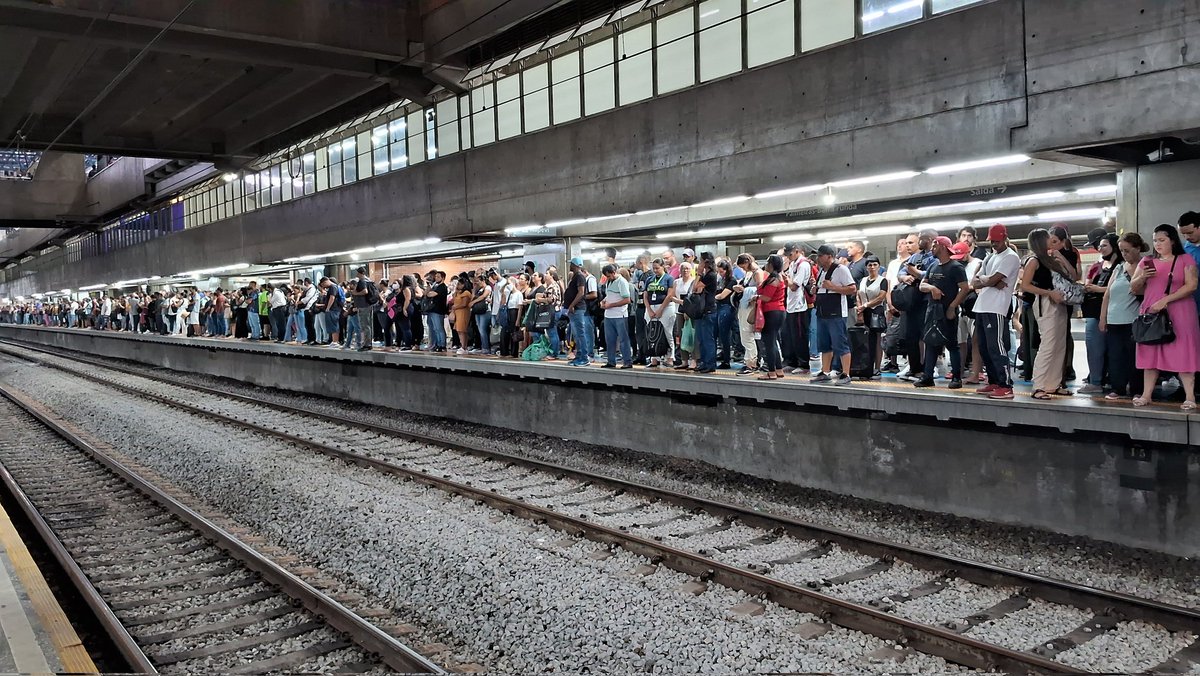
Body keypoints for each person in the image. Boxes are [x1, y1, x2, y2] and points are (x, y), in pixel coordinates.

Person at [1129, 224, 1200, 410]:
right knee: (1150, 351)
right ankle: (1146, 394)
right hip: (1151, 310)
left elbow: (1191, 285)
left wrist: (1166, 299)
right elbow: (1134, 287)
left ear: (1172, 241)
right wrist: (1142, 276)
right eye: (1155, 240)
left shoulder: (1185, 259)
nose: (1158, 244)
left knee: (1183, 350)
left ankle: (1190, 396)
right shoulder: (1147, 261)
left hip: (1180, 311)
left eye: (1162, 240)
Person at [1018, 228, 1079, 400]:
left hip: (1059, 302)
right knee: (1048, 344)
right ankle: (1038, 385)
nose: (1050, 241)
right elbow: (1025, 285)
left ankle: (1053, 384)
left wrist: (1060, 257)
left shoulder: (1051, 259)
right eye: (1047, 238)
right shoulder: (1033, 261)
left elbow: (1073, 276)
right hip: (1045, 302)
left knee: (1059, 345)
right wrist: (1048, 293)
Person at [970, 224, 1022, 400]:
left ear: (1005, 239)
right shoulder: (990, 257)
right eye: (992, 241)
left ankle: (1005, 385)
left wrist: (987, 280)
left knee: (996, 346)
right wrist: (989, 281)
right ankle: (994, 381)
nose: (994, 244)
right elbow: (975, 282)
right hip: (982, 306)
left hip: (997, 308)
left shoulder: (1011, 257)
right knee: (984, 347)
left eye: (997, 241)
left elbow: (992, 280)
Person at [914, 236, 970, 389]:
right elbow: (922, 286)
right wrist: (932, 288)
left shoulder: (955, 267)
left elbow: (965, 288)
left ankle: (957, 377)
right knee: (930, 342)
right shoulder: (933, 266)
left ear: (943, 247)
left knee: (951, 343)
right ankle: (927, 376)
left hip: (947, 310)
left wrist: (952, 307)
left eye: (934, 245)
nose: (932, 248)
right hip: (932, 310)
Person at [1099, 232, 1148, 401]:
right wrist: (1103, 317)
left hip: (1133, 319)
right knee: (1115, 355)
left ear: (1137, 248)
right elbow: (1107, 294)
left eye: (1127, 250)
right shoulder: (1119, 268)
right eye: (1121, 251)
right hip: (1114, 318)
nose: (1124, 254)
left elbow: (1142, 291)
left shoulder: (1145, 266)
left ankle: (1137, 389)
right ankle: (1117, 387)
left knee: (1134, 356)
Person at [809, 244, 857, 385]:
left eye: (820, 256)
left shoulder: (841, 269)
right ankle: (825, 371)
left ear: (829, 256)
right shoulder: (821, 271)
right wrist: (815, 289)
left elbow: (852, 288)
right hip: (822, 312)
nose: (818, 258)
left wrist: (833, 287)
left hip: (836, 313)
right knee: (824, 344)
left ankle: (846, 373)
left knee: (840, 343)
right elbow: (822, 288)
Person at [1079, 232, 1120, 394]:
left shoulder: (1121, 266)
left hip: (1116, 313)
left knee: (1114, 351)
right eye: (1100, 246)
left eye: (1104, 245)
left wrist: (1098, 289)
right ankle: (1095, 380)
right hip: (1094, 312)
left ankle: (1112, 381)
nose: (1100, 248)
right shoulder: (1098, 266)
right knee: (1094, 348)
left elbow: (1121, 289)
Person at [897, 230, 935, 380]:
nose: (920, 242)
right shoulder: (915, 257)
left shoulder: (934, 257)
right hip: (912, 301)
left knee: (926, 336)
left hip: (926, 301)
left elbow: (931, 273)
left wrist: (914, 271)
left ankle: (928, 368)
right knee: (910, 336)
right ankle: (914, 368)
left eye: (921, 239)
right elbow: (901, 272)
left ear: (930, 239)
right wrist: (905, 277)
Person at [756, 254, 788, 381]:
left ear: (772, 264)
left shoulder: (774, 280)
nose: (766, 265)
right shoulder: (777, 277)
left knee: (769, 343)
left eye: (767, 262)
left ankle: (771, 372)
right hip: (778, 312)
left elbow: (767, 297)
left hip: (771, 312)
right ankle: (779, 369)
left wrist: (756, 297)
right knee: (773, 341)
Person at [855, 256, 888, 377]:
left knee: (877, 340)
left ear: (879, 266)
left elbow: (880, 297)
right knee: (866, 340)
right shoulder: (863, 280)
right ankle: (866, 365)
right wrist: (860, 308)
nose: (872, 267)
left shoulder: (883, 280)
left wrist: (865, 305)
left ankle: (877, 367)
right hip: (864, 312)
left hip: (876, 312)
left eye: (875, 264)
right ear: (866, 267)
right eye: (870, 265)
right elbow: (858, 294)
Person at [733, 254, 764, 375]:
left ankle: (752, 363)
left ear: (747, 262)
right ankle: (749, 361)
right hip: (744, 304)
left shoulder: (757, 273)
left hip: (751, 305)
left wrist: (744, 290)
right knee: (745, 335)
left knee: (748, 334)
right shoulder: (749, 273)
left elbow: (760, 289)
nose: (743, 269)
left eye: (743, 266)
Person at [565, 257, 598, 367]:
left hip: (578, 309)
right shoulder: (576, 276)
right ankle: (579, 356)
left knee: (580, 334)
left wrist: (572, 305)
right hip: (575, 309)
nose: (570, 266)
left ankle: (584, 357)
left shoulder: (579, 276)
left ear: (574, 265)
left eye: (571, 264)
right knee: (576, 335)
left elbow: (581, 292)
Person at [599, 264, 634, 369]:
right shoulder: (609, 282)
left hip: (620, 315)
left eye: (609, 276)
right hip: (608, 315)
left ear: (614, 272)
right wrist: (603, 301)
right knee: (610, 340)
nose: (608, 278)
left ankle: (627, 361)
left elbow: (627, 300)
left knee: (623, 339)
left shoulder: (622, 282)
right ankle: (611, 361)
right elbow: (610, 295)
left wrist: (611, 305)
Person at [643, 258, 676, 369]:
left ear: (663, 267)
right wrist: (649, 309)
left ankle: (670, 357)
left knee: (667, 332)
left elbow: (670, 295)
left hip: (665, 307)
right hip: (651, 307)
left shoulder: (669, 278)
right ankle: (654, 357)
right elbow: (645, 295)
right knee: (651, 332)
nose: (655, 270)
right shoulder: (649, 279)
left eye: (657, 268)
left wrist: (661, 309)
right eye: (654, 268)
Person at [691, 256, 719, 373]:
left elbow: (695, 287)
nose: (699, 264)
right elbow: (695, 290)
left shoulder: (711, 275)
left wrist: (698, 273)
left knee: (708, 339)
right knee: (701, 339)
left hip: (708, 310)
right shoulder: (706, 275)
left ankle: (710, 363)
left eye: (701, 261)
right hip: (701, 311)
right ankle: (703, 362)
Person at [671, 262, 696, 369]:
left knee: (692, 335)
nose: (685, 270)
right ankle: (684, 360)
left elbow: (693, 298)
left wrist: (685, 305)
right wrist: (680, 302)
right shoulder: (676, 282)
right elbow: (672, 296)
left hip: (691, 312)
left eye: (687, 268)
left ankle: (694, 360)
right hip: (679, 311)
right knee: (681, 336)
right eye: (683, 269)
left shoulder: (693, 281)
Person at [714, 258, 738, 369]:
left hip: (727, 307)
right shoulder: (720, 280)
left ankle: (727, 360)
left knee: (725, 335)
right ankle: (723, 355)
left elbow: (723, 295)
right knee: (719, 334)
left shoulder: (732, 280)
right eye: (719, 271)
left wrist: (713, 298)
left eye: (722, 271)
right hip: (719, 307)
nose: (721, 273)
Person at [350, 267, 375, 351]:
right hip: (368, 305)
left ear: (360, 273)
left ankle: (367, 344)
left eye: (358, 273)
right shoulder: (369, 280)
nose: (357, 274)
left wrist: (356, 293)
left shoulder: (362, 281)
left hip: (363, 306)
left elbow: (365, 291)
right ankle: (368, 343)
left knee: (365, 325)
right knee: (368, 325)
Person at [425, 271, 448, 352]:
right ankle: (437, 344)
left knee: (439, 328)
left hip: (438, 310)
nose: (436, 278)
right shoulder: (435, 286)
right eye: (436, 277)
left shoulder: (442, 287)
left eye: (438, 277)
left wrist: (429, 292)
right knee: (435, 328)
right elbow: (427, 293)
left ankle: (442, 345)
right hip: (432, 310)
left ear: (443, 278)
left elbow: (431, 294)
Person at [451, 274, 472, 355]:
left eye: (459, 284)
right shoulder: (458, 293)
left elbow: (464, 304)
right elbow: (453, 300)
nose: (458, 286)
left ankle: (464, 346)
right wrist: (455, 292)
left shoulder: (466, 293)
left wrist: (455, 307)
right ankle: (463, 345)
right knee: (458, 330)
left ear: (464, 285)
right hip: (457, 312)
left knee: (462, 329)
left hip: (463, 312)